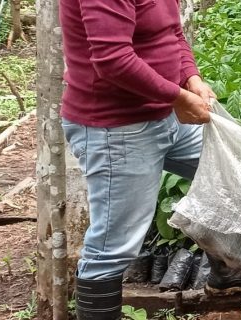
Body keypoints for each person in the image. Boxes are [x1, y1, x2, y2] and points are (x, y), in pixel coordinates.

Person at [59, 0, 215, 318]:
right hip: (117, 127)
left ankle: (233, 279)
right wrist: (177, 97)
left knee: (232, 173)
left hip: (167, 115)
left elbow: (171, 32)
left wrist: (191, 77)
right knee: (112, 248)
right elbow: (112, 59)